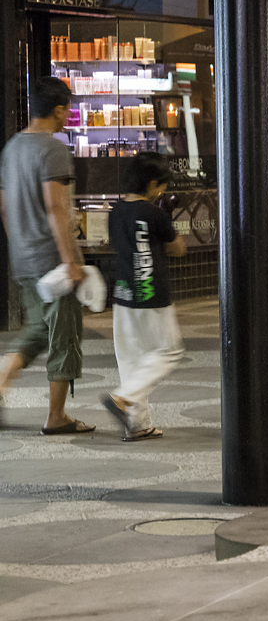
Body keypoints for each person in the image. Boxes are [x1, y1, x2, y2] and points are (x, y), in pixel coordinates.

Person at [0, 78, 95, 434]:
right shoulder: (53, 149)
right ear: (57, 110)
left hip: (24, 258)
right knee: (65, 337)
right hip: (52, 261)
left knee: (39, 330)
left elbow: (5, 208)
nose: (68, 115)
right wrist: (70, 260)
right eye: (67, 109)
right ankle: (56, 417)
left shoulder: (11, 149)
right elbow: (56, 208)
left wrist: (20, 247)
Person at [99, 153, 184, 441]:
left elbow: (114, 245)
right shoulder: (154, 214)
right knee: (167, 351)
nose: (162, 191)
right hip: (152, 294)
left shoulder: (116, 212)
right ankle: (123, 397)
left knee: (131, 360)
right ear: (151, 183)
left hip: (123, 294)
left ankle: (137, 424)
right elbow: (177, 248)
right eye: (161, 185)